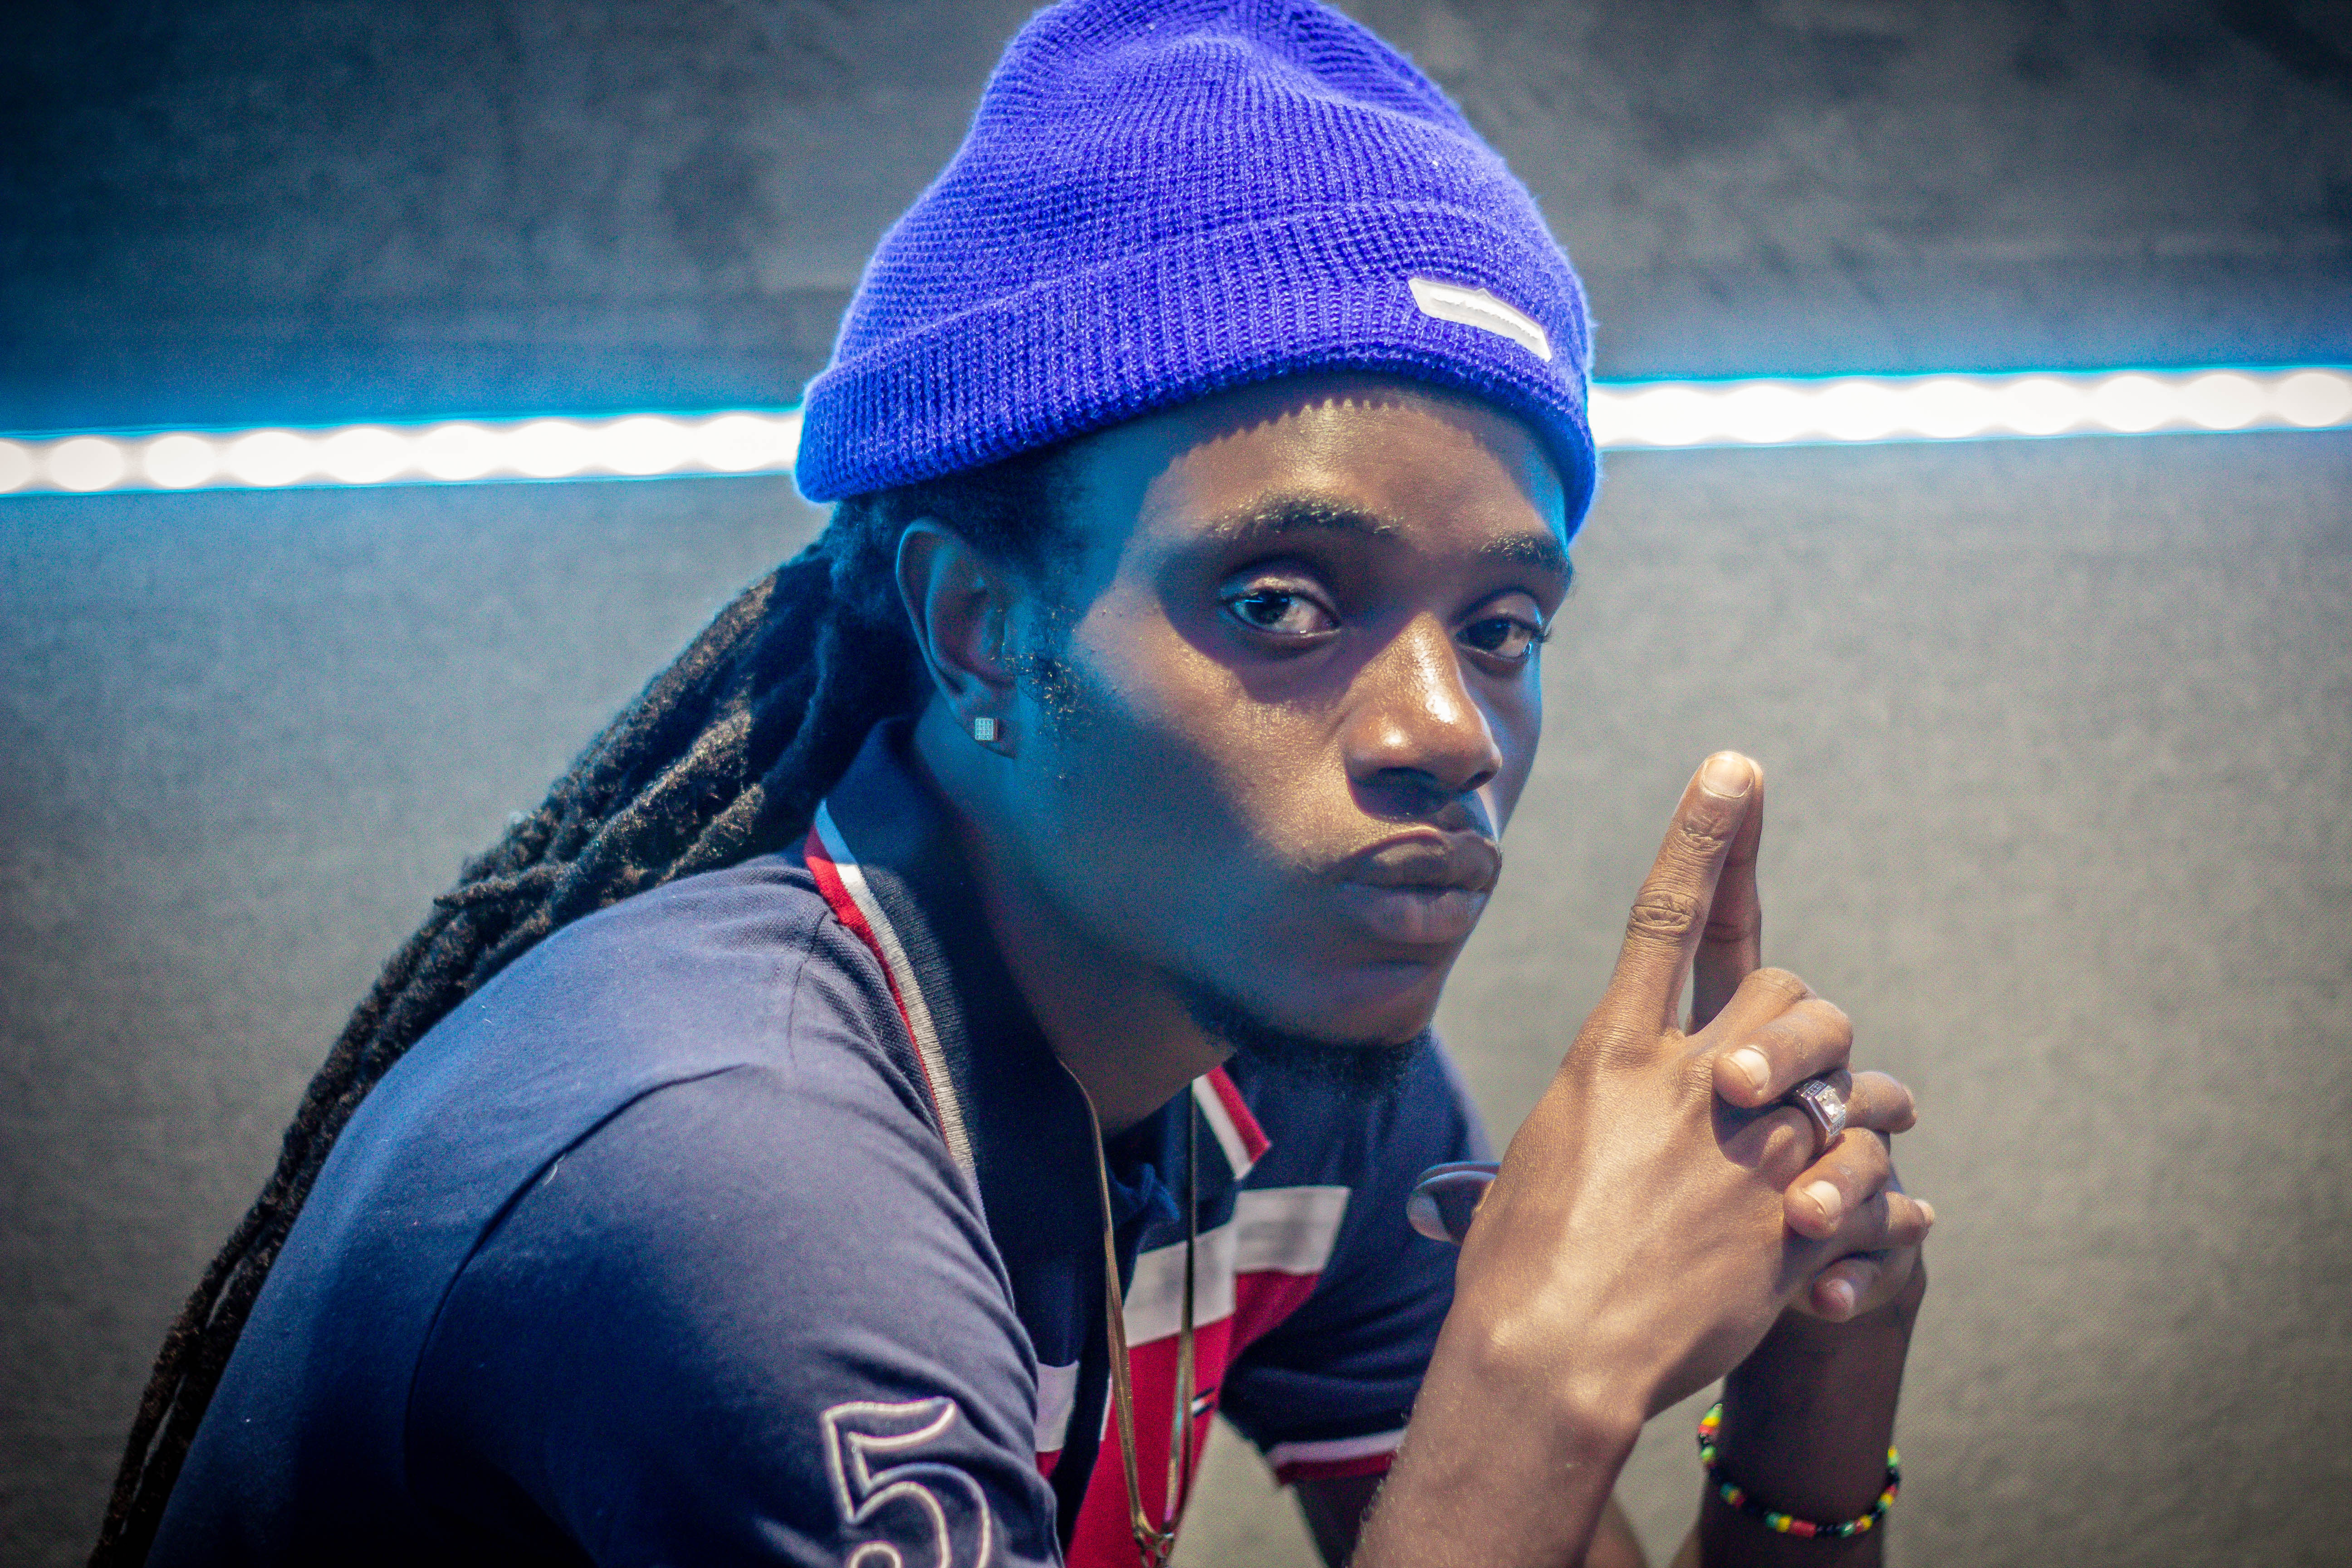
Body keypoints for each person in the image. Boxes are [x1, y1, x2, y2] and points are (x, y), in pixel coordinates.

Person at [98, 2, 1931, 1564]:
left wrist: (1811, 1406)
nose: (1450, 732)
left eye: (1506, 625)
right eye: (1281, 601)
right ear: (978, 631)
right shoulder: (738, 1176)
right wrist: (1539, 1381)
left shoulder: (1291, 1057)